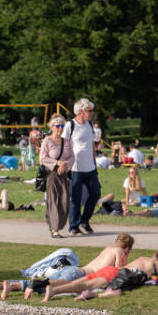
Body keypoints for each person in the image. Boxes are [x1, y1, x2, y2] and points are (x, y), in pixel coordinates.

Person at [0, 233, 134, 300]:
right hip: (78, 275)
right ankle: (8, 286)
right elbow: (119, 272)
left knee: (43, 282)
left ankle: (4, 285)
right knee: (47, 288)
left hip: (72, 269)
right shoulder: (120, 251)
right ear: (127, 248)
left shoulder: (108, 248)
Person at [63, 98, 100, 236]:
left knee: (96, 193)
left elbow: (91, 145)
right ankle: (74, 227)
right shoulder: (70, 125)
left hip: (90, 168)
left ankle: (84, 220)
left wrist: (95, 163)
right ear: (81, 111)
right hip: (75, 169)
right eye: (90, 111)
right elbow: (64, 145)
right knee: (76, 199)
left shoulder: (89, 125)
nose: (92, 113)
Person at [75, 249, 158, 300]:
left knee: (79, 283)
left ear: (155, 253)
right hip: (124, 275)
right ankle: (91, 294)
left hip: (114, 270)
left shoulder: (143, 258)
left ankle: (82, 291)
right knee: (114, 291)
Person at [40, 115, 74, 238]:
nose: (60, 128)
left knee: (65, 200)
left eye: (62, 126)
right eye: (57, 126)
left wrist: (65, 165)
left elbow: (72, 157)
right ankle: (55, 229)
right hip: (51, 173)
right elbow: (42, 158)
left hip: (63, 173)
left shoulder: (66, 141)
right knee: (54, 199)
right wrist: (56, 163)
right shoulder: (47, 140)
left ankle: (54, 223)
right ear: (52, 127)